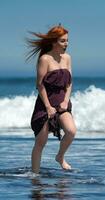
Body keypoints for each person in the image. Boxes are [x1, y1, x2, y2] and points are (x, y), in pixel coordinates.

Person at [26, 24, 77, 174]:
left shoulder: (67, 58)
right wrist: (48, 107)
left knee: (71, 131)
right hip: (45, 105)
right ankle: (35, 175)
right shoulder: (45, 59)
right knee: (41, 142)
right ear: (54, 42)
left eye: (67, 40)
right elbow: (40, 85)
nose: (66, 44)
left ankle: (60, 157)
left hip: (62, 104)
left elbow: (69, 82)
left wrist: (66, 100)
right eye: (62, 41)